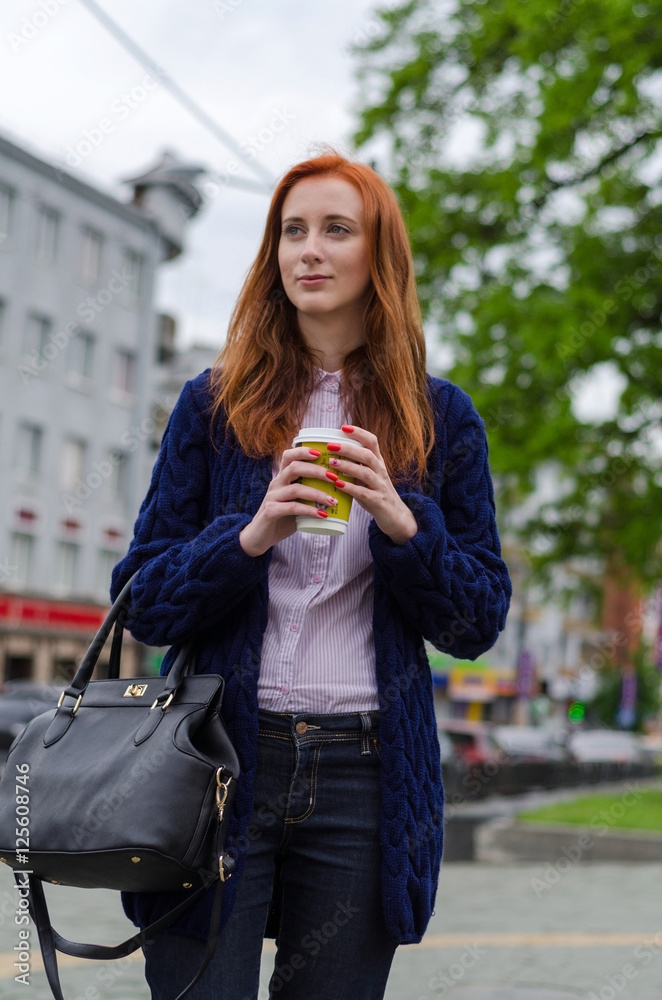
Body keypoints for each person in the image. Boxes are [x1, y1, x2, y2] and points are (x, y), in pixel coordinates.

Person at [110, 152, 512, 1000]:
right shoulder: (213, 406)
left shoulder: (441, 420)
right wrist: (251, 534)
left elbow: (476, 621)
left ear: (381, 259)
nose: (309, 250)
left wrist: (405, 525)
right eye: (292, 231)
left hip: (366, 777)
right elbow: (142, 599)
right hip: (215, 763)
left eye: (337, 229)